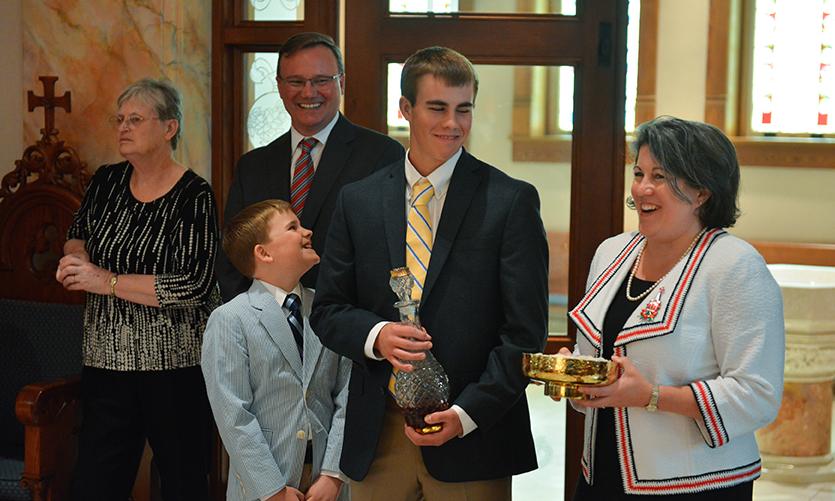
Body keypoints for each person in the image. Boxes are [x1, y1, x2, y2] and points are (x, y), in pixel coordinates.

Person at [311, 46, 549, 500]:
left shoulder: (510, 201)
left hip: (474, 434)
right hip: (377, 432)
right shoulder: (357, 201)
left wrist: (467, 414)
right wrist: (377, 334)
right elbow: (328, 310)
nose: (452, 124)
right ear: (405, 109)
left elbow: (525, 332)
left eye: (464, 110)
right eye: (437, 108)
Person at [563, 116, 784, 499]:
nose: (642, 189)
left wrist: (650, 395)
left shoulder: (734, 265)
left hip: (696, 485)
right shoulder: (612, 252)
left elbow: (757, 395)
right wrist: (577, 379)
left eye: (661, 177)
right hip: (602, 475)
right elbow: (600, 362)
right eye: (639, 173)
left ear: (702, 191)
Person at [55, 78, 220, 500]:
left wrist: (105, 282)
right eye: (120, 119)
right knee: (94, 484)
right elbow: (79, 234)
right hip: (106, 363)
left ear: (169, 128)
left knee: (184, 484)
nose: (123, 127)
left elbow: (194, 284)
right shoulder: (107, 181)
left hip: (174, 369)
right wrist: (76, 260)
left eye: (136, 119)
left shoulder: (193, 194)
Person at [216, 32, 405, 301]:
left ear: (341, 82)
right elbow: (233, 256)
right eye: (296, 81)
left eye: (320, 80)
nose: (308, 92)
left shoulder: (381, 154)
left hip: (347, 324)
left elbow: (387, 252)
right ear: (280, 87)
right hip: (265, 326)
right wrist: (255, 320)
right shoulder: (253, 166)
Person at [202, 199, 350, 501]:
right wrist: (272, 489)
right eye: (293, 227)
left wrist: (334, 475)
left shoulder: (327, 310)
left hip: (327, 484)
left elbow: (347, 395)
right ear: (264, 252)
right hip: (265, 487)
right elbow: (233, 415)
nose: (307, 232)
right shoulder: (230, 319)